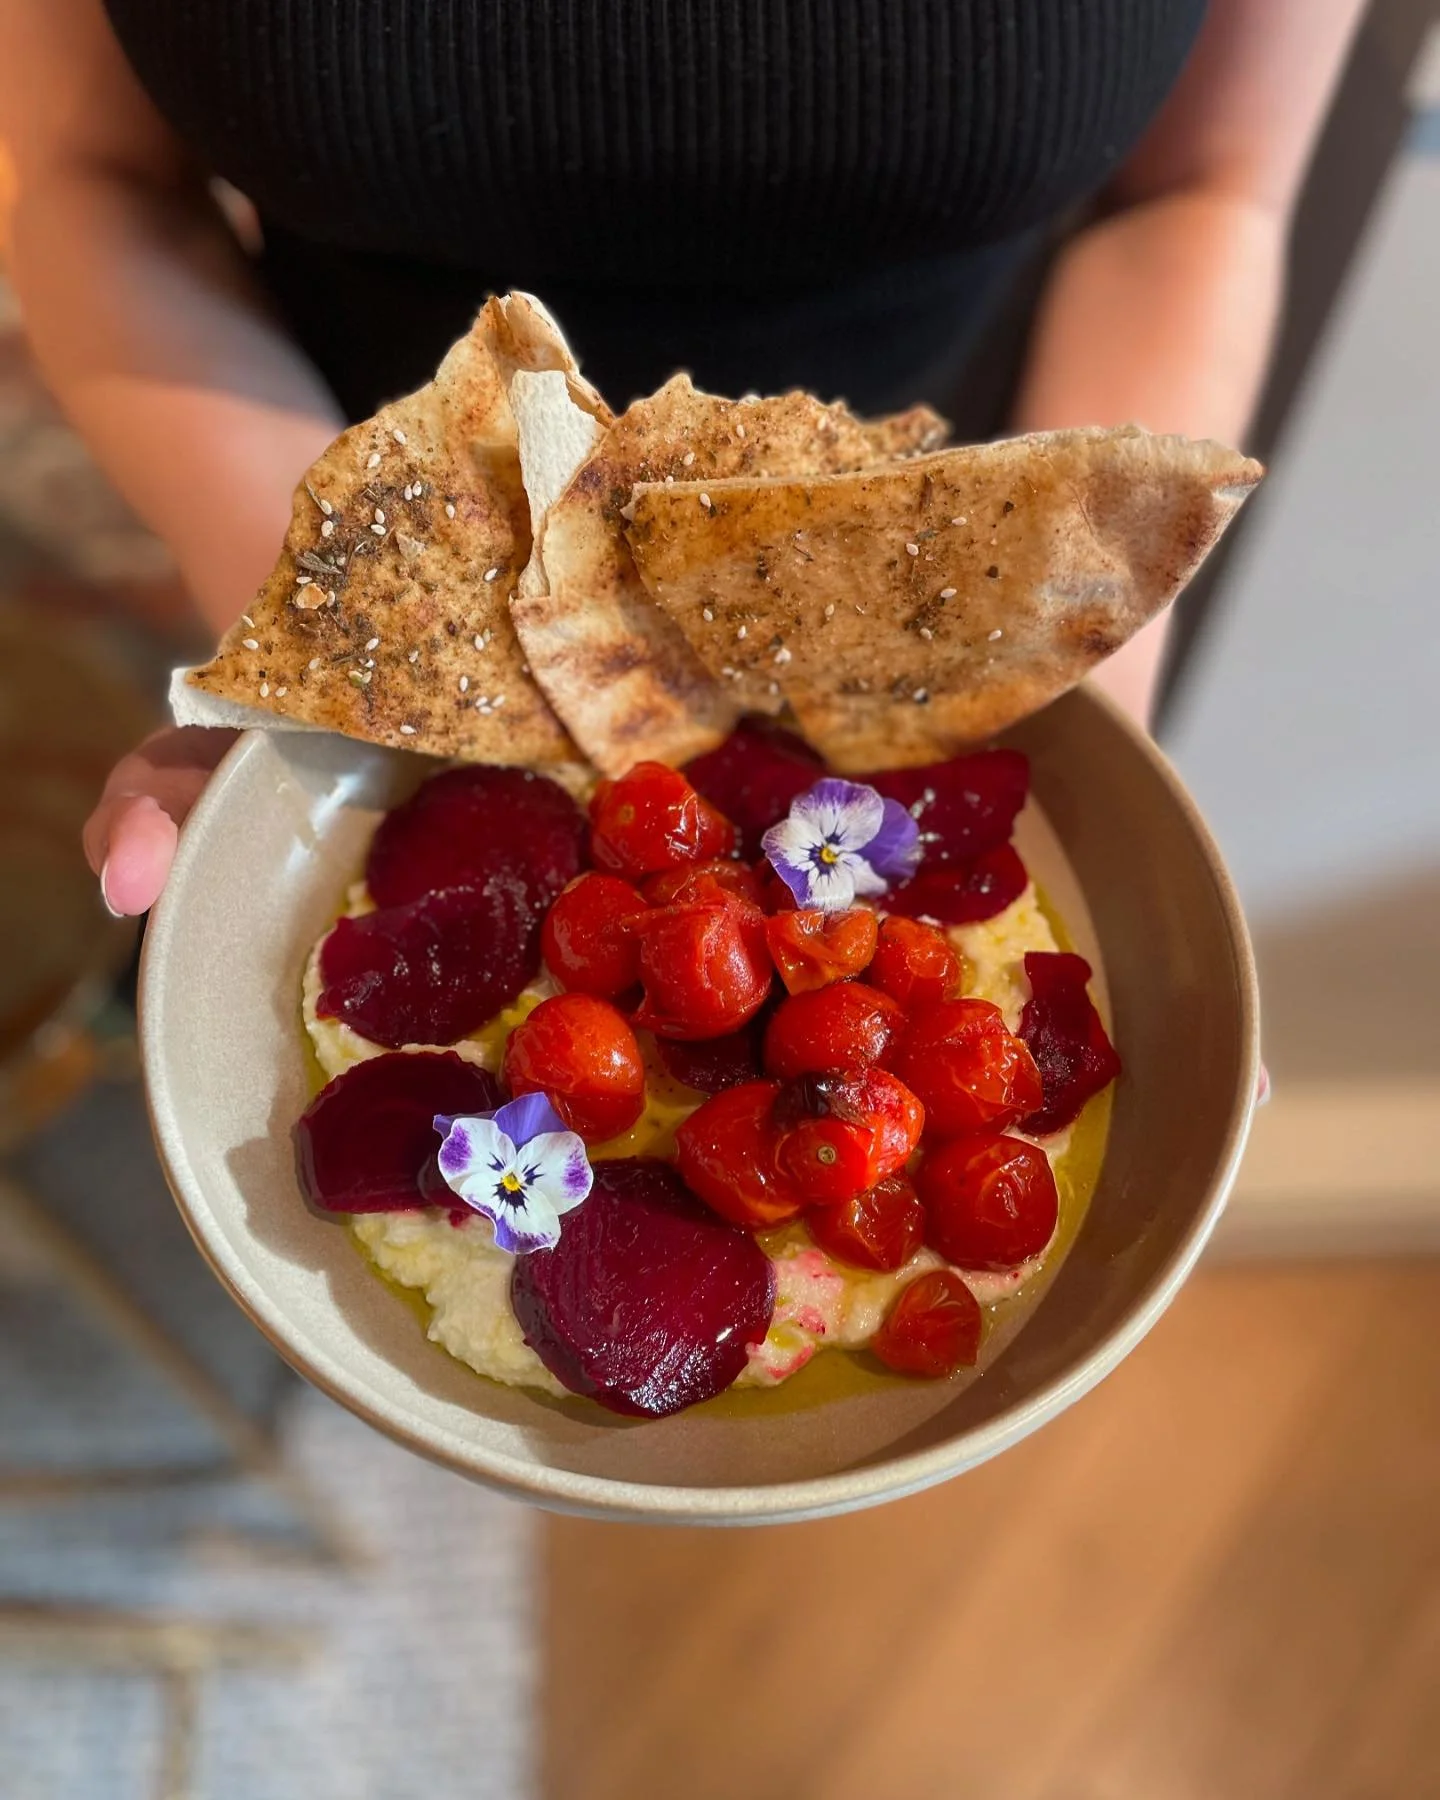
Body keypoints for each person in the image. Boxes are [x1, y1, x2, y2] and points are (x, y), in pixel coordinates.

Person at [0, 0, 1364, 918]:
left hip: (944, 556)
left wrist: (1074, 740)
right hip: (351, 477)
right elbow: (92, 172)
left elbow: (1200, 192)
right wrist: (340, 627)